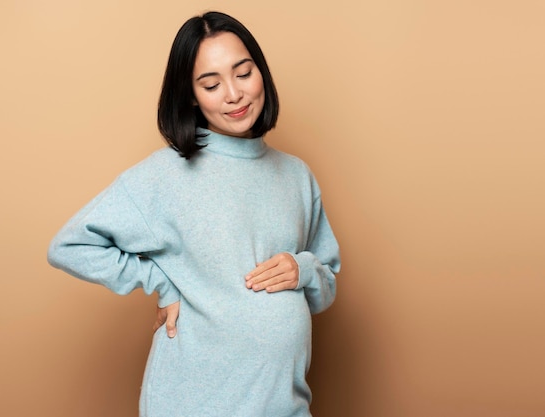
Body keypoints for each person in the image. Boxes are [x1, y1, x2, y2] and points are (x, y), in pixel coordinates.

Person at [48, 10, 340, 417]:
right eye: (211, 83)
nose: (234, 94)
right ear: (190, 95)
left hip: (284, 405)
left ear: (261, 73)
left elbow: (326, 287)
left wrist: (304, 269)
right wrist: (160, 282)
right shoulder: (165, 175)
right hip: (194, 405)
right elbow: (70, 245)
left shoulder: (296, 176)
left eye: (243, 73)